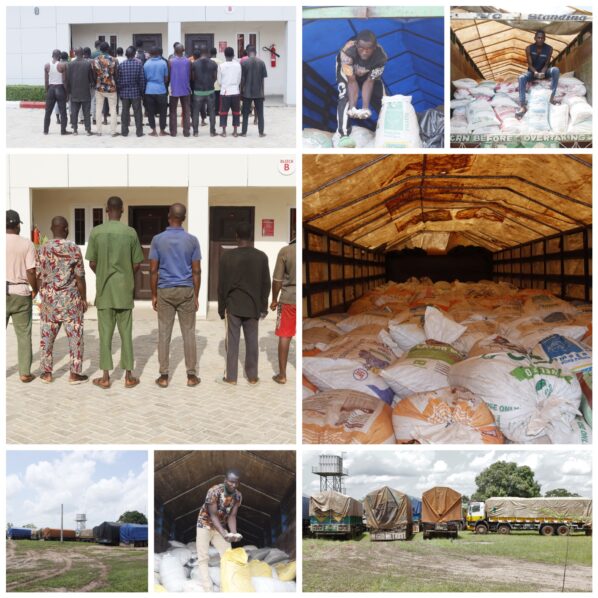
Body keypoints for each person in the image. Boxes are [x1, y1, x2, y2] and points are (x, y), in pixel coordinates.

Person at [85, 196, 144, 389]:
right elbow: (137, 263)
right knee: (126, 333)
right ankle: (128, 376)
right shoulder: (130, 233)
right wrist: (125, 275)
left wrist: (102, 273)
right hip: (124, 291)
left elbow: (92, 262)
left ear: (106, 210)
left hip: (104, 291)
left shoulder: (96, 232)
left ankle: (105, 377)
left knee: (105, 335)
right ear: (123, 210)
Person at [149, 203, 201, 388]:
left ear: (169, 215)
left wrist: (154, 294)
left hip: (165, 290)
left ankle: (163, 376)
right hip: (186, 289)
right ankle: (191, 376)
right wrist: (196, 295)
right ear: (184, 218)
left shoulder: (157, 240)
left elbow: (153, 270)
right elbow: (197, 271)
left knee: (164, 333)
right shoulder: (192, 240)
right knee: (189, 333)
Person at [36, 216, 88, 385]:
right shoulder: (73, 248)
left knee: (47, 337)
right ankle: (74, 374)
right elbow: (80, 277)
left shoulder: (43, 249)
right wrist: (84, 299)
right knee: (75, 337)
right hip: (71, 301)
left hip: (49, 301)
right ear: (66, 229)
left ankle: (46, 373)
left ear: (52, 229)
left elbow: (38, 276)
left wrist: (41, 295)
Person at [217, 221, 270, 385]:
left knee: (232, 342)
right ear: (251, 236)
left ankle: (231, 378)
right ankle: (252, 377)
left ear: (236, 236)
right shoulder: (261, 257)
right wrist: (263, 307)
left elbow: (222, 285)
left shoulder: (227, 257)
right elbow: (265, 284)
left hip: (233, 306)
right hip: (253, 306)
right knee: (252, 341)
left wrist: (221, 308)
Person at [336, 29, 387, 148]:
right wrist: (353, 107)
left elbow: (369, 82)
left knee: (382, 99)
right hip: (349, 71)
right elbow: (352, 81)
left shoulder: (381, 58)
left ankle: (386, 131)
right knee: (344, 95)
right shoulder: (347, 53)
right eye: (361, 49)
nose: (364, 52)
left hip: (368, 73)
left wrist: (365, 108)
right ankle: (344, 135)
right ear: (356, 45)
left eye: (368, 50)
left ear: (374, 48)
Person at [196, 470, 243, 593]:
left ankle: (226, 588)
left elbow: (232, 516)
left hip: (220, 525)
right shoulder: (214, 491)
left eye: (236, 483)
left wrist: (233, 533)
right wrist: (224, 534)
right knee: (203, 558)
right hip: (204, 524)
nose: (234, 485)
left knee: (228, 555)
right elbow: (213, 515)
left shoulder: (238, 496)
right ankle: (208, 590)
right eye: (231, 482)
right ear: (225, 480)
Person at [6, 210, 38, 383]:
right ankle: (25, 372)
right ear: (18, 225)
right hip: (20, 292)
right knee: (24, 334)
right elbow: (31, 271)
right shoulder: (27, 244)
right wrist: (35, 288)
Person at [516, 30, 560, 119]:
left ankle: (551, 98)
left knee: (555, 70)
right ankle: (522, 106)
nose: (540, 39)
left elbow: (547, 64)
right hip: (532, 72)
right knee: (521, 78)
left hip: (545, 72)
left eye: (542, 38)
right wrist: (535, 73)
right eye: (538, 37)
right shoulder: (529, 48)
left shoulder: (549, 49)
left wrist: (543, 72)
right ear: (535, 38)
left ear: (545, 39)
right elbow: (530, 65)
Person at [270, 238, 296, 384]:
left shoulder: (286, 251)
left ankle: (282, 375)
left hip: (288, 300)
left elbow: (277, 280)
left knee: (285, 335)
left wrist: (274, 300)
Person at [66, 47, 95, 136]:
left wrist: (68, 92)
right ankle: (88, 130)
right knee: (86, 112)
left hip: (74, 92)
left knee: (74, 112)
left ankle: (75, 130)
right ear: (83, 53)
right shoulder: (87, 64)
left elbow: (67, 80)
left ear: (74, 53)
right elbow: (91, 80)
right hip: (85, 92)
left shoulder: (70, 64)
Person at [240, 45, 268, 138]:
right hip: (259, 93)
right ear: (255, 53)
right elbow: (262, 80)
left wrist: (241, 92)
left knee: (245, 114)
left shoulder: (244, 63)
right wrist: (263, 93)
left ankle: (244, 132)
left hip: (247, 93)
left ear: (248, 53)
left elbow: (242, 79)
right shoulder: (262, 63)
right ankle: (261, 132)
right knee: (260, 113)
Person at [118, 45, 145, 137]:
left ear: (126, 54)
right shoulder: (139, 64)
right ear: (134, 54)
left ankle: (124, 132)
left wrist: (120, 92)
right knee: (138, 113)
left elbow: (119, 80)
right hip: (136, 92)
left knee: (125, 113)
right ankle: (139, 132)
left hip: (124, 93)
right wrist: (142, 92)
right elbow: (141, 80)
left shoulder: (121, 65)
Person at [92, 41, 119, 137]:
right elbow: (116, 74)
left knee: (98, 109)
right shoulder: (114, 60)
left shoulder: (95, 60)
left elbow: (94, 75)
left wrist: (98, 82)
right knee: (113, 109)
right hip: (111, 87)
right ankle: (113, 132)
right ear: (108, 49)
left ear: (100, 49)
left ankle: (99, 131)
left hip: (99, 87)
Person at [191, 45, 218, 137]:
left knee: (195, 112)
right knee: (212, 112)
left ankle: (195, 132)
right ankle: (212, 132)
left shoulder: (194, 63)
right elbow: (215, 77)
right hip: (210, 91)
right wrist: (210, 83)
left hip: (198, 91)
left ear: (200, 52)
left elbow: (193, 78)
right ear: (208, 52)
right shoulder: (213, 63)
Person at [144, 46, 169, 136]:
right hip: (161, 89)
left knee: (150, 112)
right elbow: (166, 78)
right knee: (163, 111)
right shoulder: (163, 63)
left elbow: (145, 78)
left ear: (150, 54)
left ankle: (153, 130)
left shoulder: (146, 63)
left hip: (149, 90)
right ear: (158, 53)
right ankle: (162, 130)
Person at [43, 49, 70, 135]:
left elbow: (46, 81)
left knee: (48, 112)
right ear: (59, 56)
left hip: (51, 88)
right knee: (63, 112)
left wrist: (47, 91)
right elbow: (64, 80)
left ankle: (45, 130)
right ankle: (63, 131)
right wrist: (66, 92)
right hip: (60, 88)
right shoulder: (62, 66)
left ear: (52, 55)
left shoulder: (47, 65)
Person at [217, 47, 242, 137]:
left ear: (224, 55)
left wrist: (223, 85)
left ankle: (224, 131)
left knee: (223, 112)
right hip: (235, 91)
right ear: (233, 54)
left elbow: (219, 81)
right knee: (236, 112)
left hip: (225, 92)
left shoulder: (221, 66)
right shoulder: (238, 65)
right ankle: (235, 131)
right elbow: (239, 79)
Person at [168, 42, 191, 137]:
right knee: (186, 111)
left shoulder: (170, 61)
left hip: (174, 88)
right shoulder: (188, 61)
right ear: (183, 50)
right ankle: (186, 132)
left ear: (174, 50)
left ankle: (173, 132)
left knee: (172, 111)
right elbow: (189, 75)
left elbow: (169, 76)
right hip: (185, 88)